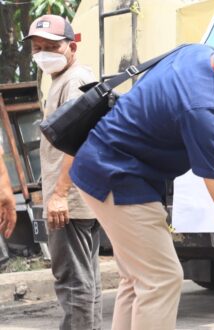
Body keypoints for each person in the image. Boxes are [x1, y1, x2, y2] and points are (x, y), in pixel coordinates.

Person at [68, 19, 214, 329]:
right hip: (118, 174)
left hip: (107, 162)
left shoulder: (199, 54)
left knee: (138, 279)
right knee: (163, 279)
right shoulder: (203, 110)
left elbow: (172, 101)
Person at [23, 15, 102, 330]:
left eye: (52, 46)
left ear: (72, 45)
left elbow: (81, 139)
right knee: (85, 279)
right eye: (37, 47)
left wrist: (58, 194)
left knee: (73, 282)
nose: (43, 52)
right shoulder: (60, 78)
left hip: (68, 199)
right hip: (73, 196)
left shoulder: (74, 81)